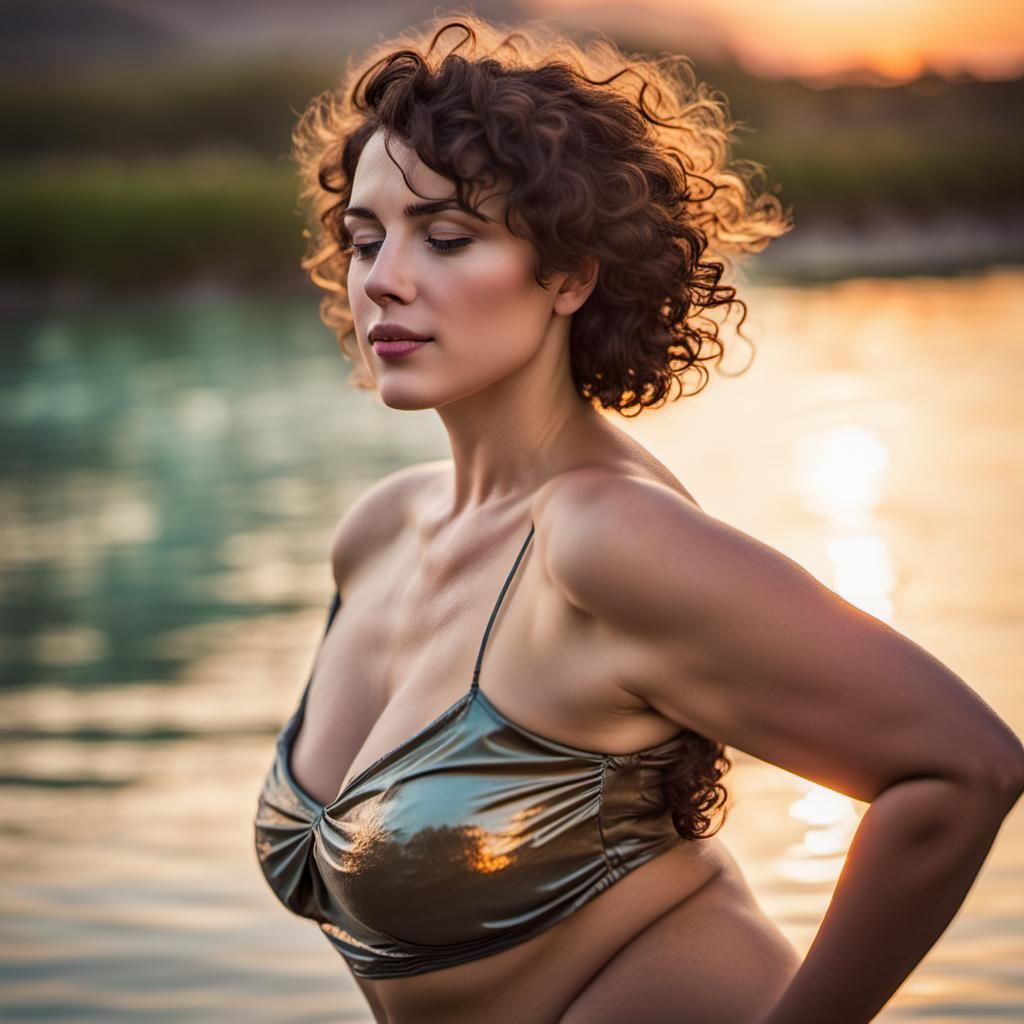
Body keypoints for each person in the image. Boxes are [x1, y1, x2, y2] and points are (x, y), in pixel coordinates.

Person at [253, 13, 1024, 1023]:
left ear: (571, 275)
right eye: (364, 239)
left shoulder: (603, 538)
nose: (382, 279)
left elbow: (961, 767)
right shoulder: (380, 531)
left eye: (445, 237)